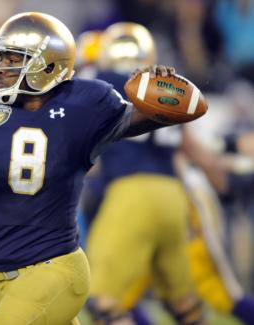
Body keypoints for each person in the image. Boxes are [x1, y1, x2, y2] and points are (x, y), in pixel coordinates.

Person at [0, 12, 203, 325]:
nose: (1, 68)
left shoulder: (86, 103)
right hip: (1, 276)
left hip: (55, 271)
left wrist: (163, 91)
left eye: (14, 60)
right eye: (1, 58)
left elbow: (158, 115)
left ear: (48, 65)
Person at [77, 22, 254, 325]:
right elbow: (192, 149)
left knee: (101, 301)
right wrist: (222, 182)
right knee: (184, 304)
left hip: (130, 194)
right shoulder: (163, 90)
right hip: (174, 198)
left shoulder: (98, 80)